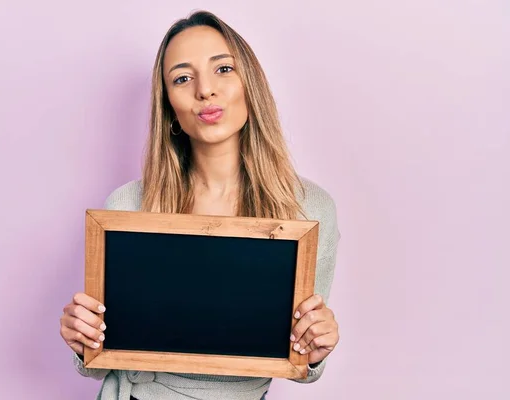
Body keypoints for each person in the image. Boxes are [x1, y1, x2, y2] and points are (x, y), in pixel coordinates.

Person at [60, 10, 340, 400]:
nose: (205, 90)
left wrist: (316, 349)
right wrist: (83, 338)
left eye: (223, 69)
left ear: (250, 84)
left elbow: (301, 360)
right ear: (169, 106)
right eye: (182, 78)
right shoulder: (128, 205)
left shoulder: (308, 210)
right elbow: (107, 353)